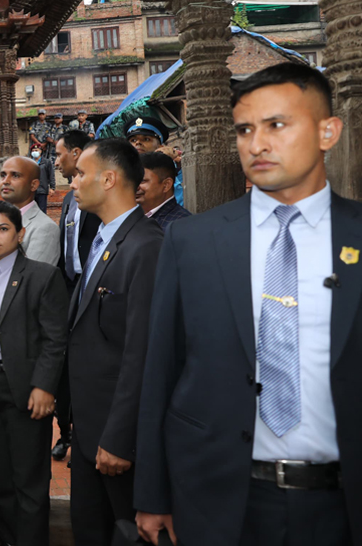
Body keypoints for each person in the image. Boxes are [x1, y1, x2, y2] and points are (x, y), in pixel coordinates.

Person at [136, 63, 361, 546]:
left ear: (328, 131)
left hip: (342, 504)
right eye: (244, 129)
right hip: (218, 499)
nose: (256, 144)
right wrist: (152, 494)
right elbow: (161, 368)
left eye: (277, 125)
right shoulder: (191, 240)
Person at [67, 138, 163, 545]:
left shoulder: (146, 246)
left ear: (108, 179)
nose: (72, 182)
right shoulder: (103, 240)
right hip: (91, 434)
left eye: (80, 173)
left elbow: (142, 353)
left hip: (119, 443)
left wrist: (118, 439)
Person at [0, 199, 68, 546]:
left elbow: (55, 338)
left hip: (21, 386)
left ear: (21, 234)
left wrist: (44, 386)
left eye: (3, 229)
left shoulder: (41, 275)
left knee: (28, 480)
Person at [52, 129, 96, 462]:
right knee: (63, 362)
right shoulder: (68, 199)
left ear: (76, 152)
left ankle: (85, 430)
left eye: (60, 154)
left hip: (94, 288)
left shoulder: (95, 197)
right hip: (69, 287)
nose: (56, 161)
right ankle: (64, 430)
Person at [0, 156, 62, 265]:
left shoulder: (45, 228)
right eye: (3, 175)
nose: (5, 181)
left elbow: (31, 278)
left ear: (33, 185)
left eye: (15, 176)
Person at [137, 152, 191, 232]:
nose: (134, 186)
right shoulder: (132, 217)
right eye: (131, 181)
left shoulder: (182, 225)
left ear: (166, 185)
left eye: (142, 181)